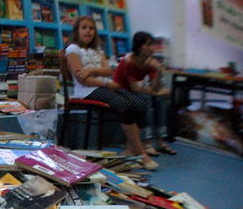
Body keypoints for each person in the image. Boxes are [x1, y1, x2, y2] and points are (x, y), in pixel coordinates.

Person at [64, 16, 157, 169]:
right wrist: (106, 82)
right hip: (87, 91)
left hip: (103, 86)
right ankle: (141, 153)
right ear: (77, 31)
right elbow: (83, 80)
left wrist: (92, 69)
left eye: (91, 28)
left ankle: (131, 148)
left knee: (141, 104)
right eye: (84, 27)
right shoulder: (72, 50)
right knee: (125, 106)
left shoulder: (98, 50)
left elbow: (109, 70)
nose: (88, 31)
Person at [113, 31, 176, 157]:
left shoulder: (150, 62)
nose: (153, 48)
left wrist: (159, 71)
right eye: (149, 45)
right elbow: (134, 88)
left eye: (153, 44)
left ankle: (160, 140)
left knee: (160, 99)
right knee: (145, 98)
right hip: (120, 91)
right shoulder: (129, 61)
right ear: (139, 46)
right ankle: (146, 142)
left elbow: (155, 86)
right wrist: (156, 91)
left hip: (137, 91)